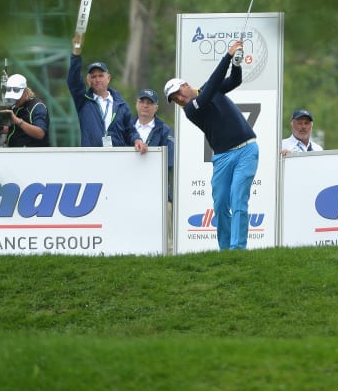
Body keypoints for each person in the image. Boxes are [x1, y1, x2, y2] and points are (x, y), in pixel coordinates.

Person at [164, 40, 259, 250]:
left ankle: (237, 248)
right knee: (221, 203)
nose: (179, 99)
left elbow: (234, 81)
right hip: (222, 157)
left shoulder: (209, 89)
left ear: (186, 85)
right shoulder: (191, 110)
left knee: (238, 199)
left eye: (178, 92)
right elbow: (210, 90)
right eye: (174, 99)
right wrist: (227, 56)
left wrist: (236, 62)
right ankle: (225, 250)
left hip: (247, 150)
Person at [67, 33, 146, 152]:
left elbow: (130, 130)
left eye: (100, 76)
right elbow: (73, 81)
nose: (97, 79)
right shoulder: (84, 102)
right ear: (88, 80)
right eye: (93, 76)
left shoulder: (121, 105)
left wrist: (137, 139)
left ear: (108, 78)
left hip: (117, 157)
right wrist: (76, 53)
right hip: (91, 157)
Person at [135, 88, 175, 196]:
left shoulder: (165, 130)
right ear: (137, 104)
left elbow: (169, 161)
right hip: (130, 186)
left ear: (156, 107)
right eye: (142, 102)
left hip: (157, 190)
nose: (145, 105)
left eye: (149, 103)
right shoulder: (127, 128)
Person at [0, 74, 50, 147]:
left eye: (17, 97)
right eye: (12, 97)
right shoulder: (15, 107)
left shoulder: (37, 106)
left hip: (34, 153)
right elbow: (15, 130)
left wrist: (17, 120)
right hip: (15, 152)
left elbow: (40, 133)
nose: (15, 100)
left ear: (25, 92)